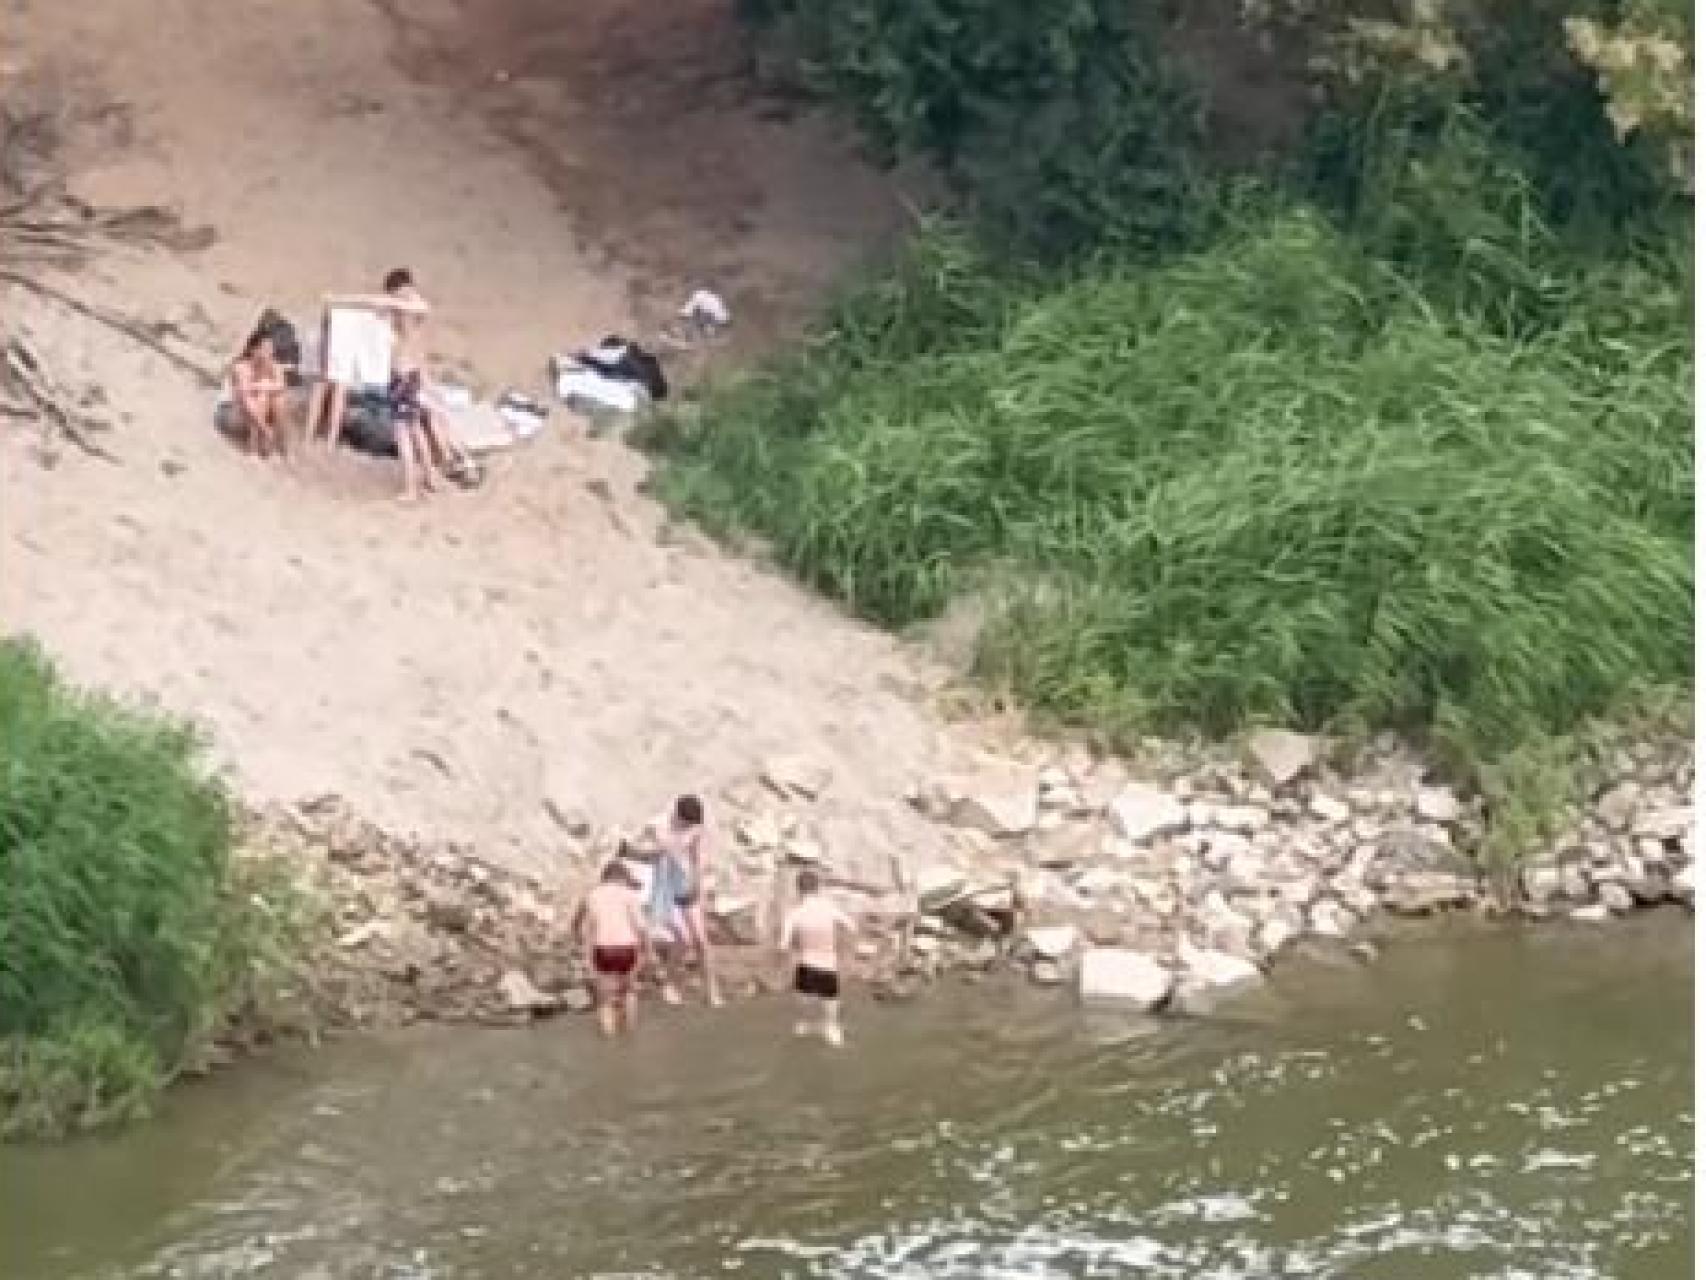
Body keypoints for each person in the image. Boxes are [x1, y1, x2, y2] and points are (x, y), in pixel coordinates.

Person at [306, 268, 429, 453]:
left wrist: (337, 300)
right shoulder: (399, 309)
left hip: (401, 377)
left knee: (414, 423)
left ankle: (448, 457)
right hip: (393, 377)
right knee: (332, 384)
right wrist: (338, 301)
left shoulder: (411, 307)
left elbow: (379, 303)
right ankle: (319, 438)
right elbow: (369, 302)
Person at [645, 794, 723, 1007]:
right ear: (677, 816)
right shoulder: (657, 825)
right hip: (663, 884)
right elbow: (645, 854)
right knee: (683, 939)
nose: (688, 827)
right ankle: (671, 984)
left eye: (692, 824)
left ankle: (711, 991)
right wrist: (655, 853)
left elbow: (696, 858)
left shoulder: (696, 829)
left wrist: (697, 885)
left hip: (685, 882)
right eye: (686, 823)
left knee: (701, 940)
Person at [572, 860, 654, 1037]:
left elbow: (576, 922)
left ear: (605, 877)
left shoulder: (591, 895)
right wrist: (648, 951)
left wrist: (578, 939)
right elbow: (642, 928)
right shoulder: (629, 895)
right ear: (621, 877)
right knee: (629, 991)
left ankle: (609, 1038)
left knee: (605, 1000)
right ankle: (630, 1036)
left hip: (603, 949)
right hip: (627, 949)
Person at [780, 869, 857, 1046]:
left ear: (799, 889)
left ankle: (805, 1023)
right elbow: (851, 926)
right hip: (827, 961)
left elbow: (783, 944)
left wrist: (790, 949)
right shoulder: (829, 908)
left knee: (804, 996)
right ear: (818, 888)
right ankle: (830, 1028)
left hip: (806, 961)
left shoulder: (795, 913)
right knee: (830, 998)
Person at [228, 329, 291, 458]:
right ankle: (255, 447)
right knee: (259, 397)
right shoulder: (242, 367)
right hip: (238, 413)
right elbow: (245, 398)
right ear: (254, 350)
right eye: (265, 349)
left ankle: (279, 446)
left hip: (261, 412)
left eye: (270, 348)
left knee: (278, 398)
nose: (269, 353)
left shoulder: (274, 366)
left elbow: (282, 386)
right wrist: (266, 429)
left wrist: (260, 386)